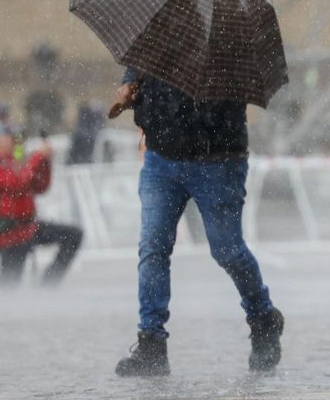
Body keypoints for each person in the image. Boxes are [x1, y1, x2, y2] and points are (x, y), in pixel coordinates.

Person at [107, 67, 285, 376]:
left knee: (227, 250)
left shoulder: (227, 40)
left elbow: (225, 111)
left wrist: (191, 103)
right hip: (162, 159)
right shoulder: (162, 28)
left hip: (218, 161)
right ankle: (151, 343)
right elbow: (140, 65)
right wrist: (129, 86)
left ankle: (263, 317)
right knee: (153, 247)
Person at [0, 126, 83, 287]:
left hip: (28, 229)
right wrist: (38, 156)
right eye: (8, 136)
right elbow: (17, 183)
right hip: (9, 235)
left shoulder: (12, 162)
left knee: (73, 236)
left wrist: (45, 162)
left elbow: (40, 186)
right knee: (7, 288)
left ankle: (48, 286)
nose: (13, 140)